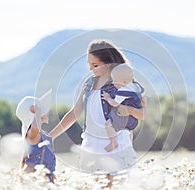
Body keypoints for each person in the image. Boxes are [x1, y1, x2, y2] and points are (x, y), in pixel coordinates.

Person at [50, 39, 146, 175]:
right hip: (91, 143)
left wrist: (129, 110)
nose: (90, 68)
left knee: (117, 188)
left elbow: (143, 114)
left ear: (108, 63)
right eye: (89, 64)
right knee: (94, 189)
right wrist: (49, 136)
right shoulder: (89, 83)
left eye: (95, 65)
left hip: (117, 142)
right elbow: (74, 113)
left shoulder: (124, 84)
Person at [101, 63, 144, 152]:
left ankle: (113, 142)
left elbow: (115, 103)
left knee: (107, 124)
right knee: (129, 130)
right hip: (133, 120)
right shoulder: (137, 87)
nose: (113, 83)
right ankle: (129, 145)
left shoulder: (123, 91)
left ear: (124, 82)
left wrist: (108, 98)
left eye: (115, 81)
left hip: (122, 117)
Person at [16, 90, 56, 183]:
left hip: (44, 175)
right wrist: (38, 110)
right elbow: (35, 126)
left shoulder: (40, 134)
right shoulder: (32, 134)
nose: (46, 112)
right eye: (42, 109)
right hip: (34, 177)